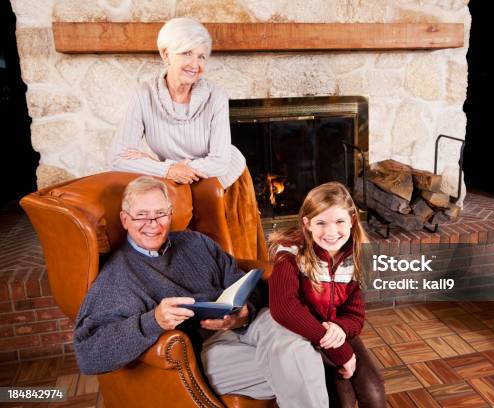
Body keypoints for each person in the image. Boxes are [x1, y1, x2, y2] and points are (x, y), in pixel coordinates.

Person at [73, 176, 328, 407]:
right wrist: (153, 321)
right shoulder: (117, 277)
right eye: (142, 215)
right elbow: (88, 354)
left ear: (171, 214)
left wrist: (245, 312)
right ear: (124, 219)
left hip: (243, 326)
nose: (152, 223)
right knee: (303, 358)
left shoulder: (195, 242)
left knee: (290, 336)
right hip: (203, 349)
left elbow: (239, 280)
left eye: (160, 213)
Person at [108, 17, 265, 260]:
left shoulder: (216, 97)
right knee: (189, 254)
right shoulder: (143, 95)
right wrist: (168, 169)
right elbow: (117, 159)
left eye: (202, 56)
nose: (195, 64)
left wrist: (173, 167)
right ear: (166, 54)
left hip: (224, 181)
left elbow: (219, 162)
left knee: (232, 251)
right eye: (187, 53)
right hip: (178, 183)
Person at [268, 182, 385, 408]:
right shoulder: (290, 254)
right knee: (343, 400)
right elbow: (283, 308)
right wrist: (338, 349)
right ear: (307, 223)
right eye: (321, 223)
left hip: (336, 332)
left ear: (351, 220)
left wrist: (340, 329)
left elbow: (355, 314)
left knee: (374, 392)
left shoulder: (358, 255)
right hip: (303, 335)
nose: (331, 232)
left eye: (340, 221)